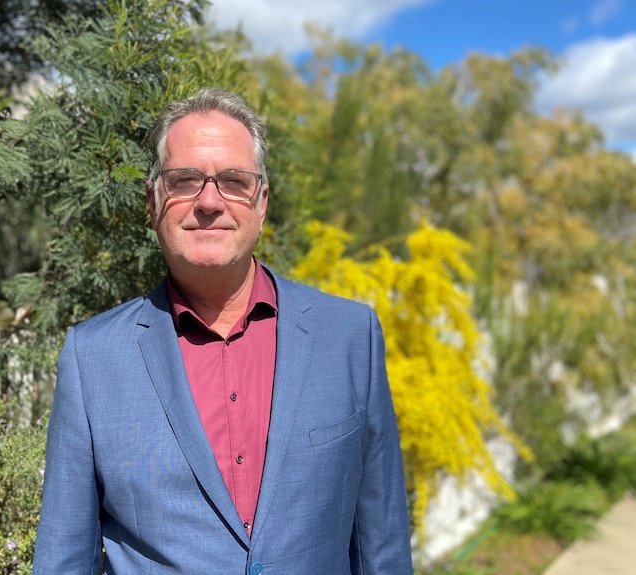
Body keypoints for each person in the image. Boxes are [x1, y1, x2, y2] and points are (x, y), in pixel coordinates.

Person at [33, 88, 414, 574]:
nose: (209, 202)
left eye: (234, 181)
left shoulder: (349, 339)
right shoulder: (93, 357)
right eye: (185, 180)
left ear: (261, 202)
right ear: (153, 202)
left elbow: (384, 552)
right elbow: (62, 561)